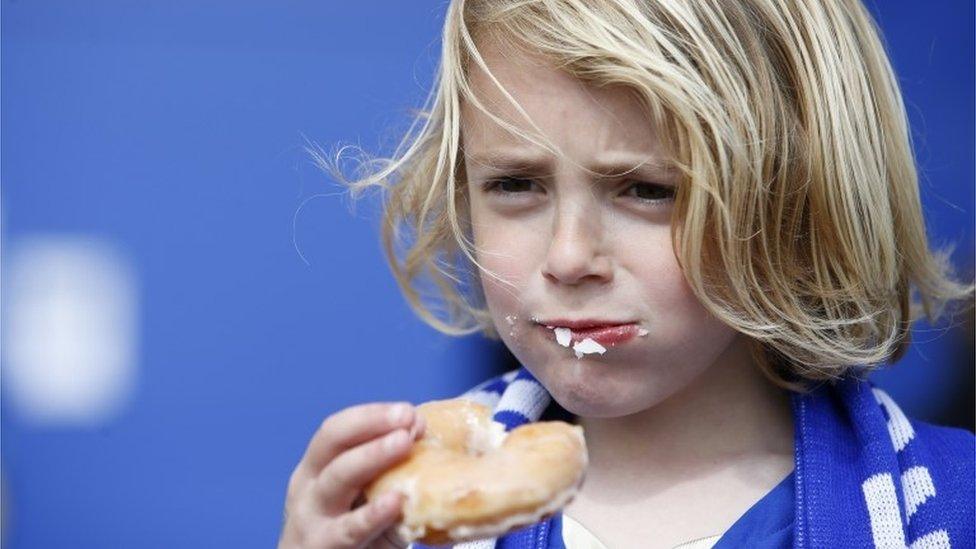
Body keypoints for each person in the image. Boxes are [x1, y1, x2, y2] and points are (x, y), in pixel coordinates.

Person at [278, 1, 975, 548]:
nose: (570, 256)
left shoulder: (951, 504)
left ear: (795, 200)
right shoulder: (405, 522)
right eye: (516, 183)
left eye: (645, 189)